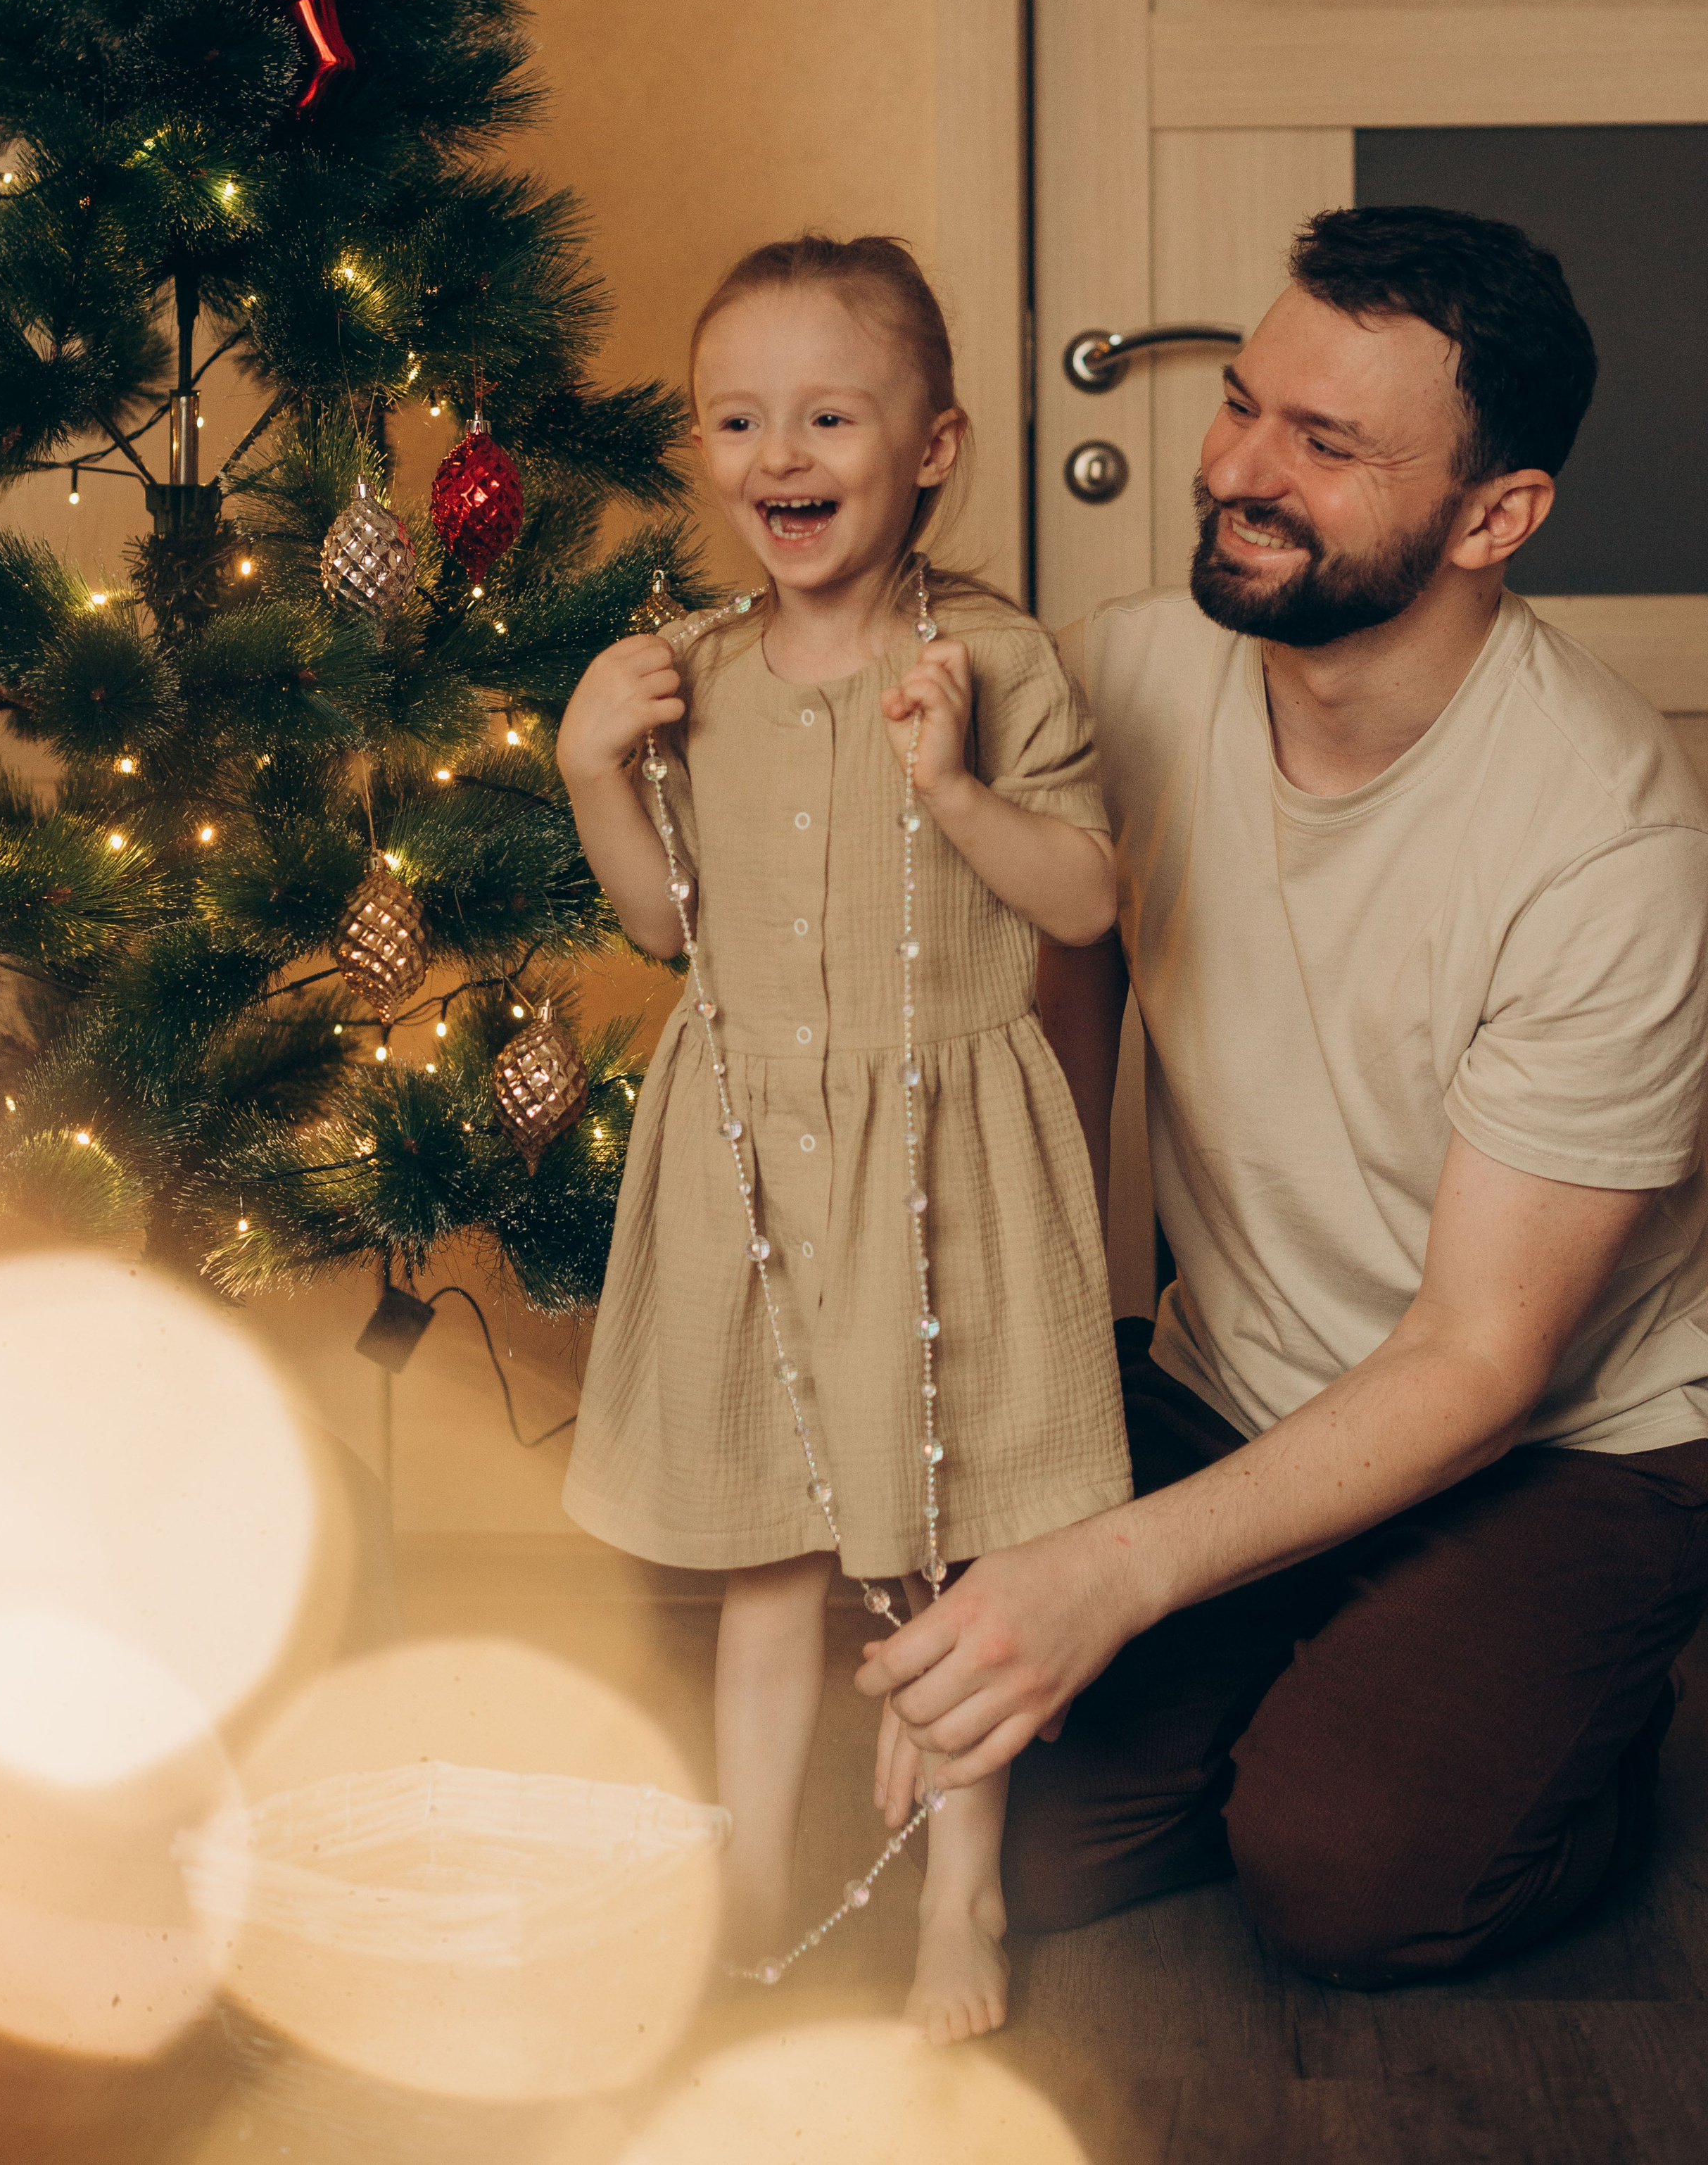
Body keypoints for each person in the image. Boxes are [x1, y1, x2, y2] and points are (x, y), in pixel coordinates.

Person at [857, 203, 1708, 1987]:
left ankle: (1564, 1728)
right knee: (966, 1799)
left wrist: (1106, 1575)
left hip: (1557, 1443)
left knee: (1345, 1878)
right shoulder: (1127, 674)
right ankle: (1318, 1639)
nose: (1236, 468)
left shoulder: (1609, 843)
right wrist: (1046, 1426)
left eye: (1323, 446)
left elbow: (1484, 1357)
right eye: (1243, 401)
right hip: (1227, 1382)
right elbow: (1046, 1029)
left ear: (1497, 518)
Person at [556, 234, 1130, 2040]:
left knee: (950, 1557)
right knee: (764, 1556)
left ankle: (964, 1895)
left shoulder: (999, 660)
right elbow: (669, 928)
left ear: (932, 446)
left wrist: (950, 784)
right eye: (737, 418)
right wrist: (590, 768)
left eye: (826, 414)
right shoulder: (691, 674)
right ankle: (741, 1874)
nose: (775, 454)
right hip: (749, 1159)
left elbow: (1087, 897)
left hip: (939, 1152)